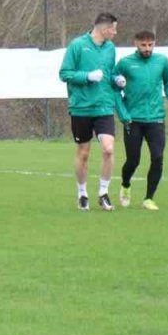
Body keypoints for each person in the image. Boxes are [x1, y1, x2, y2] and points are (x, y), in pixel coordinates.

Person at [59, 12, 125, 211]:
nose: (115, 33)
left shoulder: (110, 48)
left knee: (108, 149)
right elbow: (65, 73)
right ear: (104, 28)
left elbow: (109, 73)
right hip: (81, 107)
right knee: (84, 153)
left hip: (104, 106)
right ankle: (82, 194)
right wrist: (87, 76)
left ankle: (103, 193)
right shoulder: (77, 45)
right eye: (113, 29)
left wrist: (116, 79)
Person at [115, 30, 168, 210]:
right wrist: (123, 113)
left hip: (156, 118)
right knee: (133, 161)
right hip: (133, 120)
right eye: (143, 45)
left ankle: (148, 199)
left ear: (155, 44)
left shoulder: (162, 61)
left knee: (158, 157)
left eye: (150, 45)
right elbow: (113, 89)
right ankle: (125, 184)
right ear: (136, 44)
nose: (147, 48)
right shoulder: (125, 63)